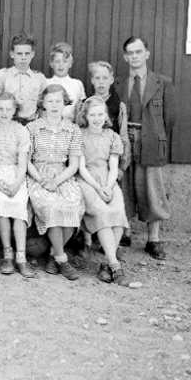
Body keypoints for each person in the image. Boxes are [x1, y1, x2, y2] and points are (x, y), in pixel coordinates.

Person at [115, 36, 176, 260]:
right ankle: (125, 233)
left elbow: (169, 117)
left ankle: (153, 240)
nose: (134, 56)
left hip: (149, 137)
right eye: (130, 53)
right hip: (125, 137)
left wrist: (155, 136)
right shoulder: (119, 83)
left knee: (151, 188)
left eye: (138, 52)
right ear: (125, 57)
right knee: (124, 185)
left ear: (147, 54)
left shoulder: (162, 82)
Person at [27, 84, 85, 280]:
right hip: (39, 176)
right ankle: (62, 259)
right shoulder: (32, 128)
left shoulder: (72, 129)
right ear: (43, 103)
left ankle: (54, 254)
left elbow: (74, 164)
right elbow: (26, 161)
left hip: (63, 175)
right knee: (52, 207)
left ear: (65, 103)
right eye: (50, 101)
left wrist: (57, 181)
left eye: (58, 101)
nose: (54, 105)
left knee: (73, 206)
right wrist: (42, 180)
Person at [76, 97, 129, 284]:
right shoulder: (79, 135)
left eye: (100, 114)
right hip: (88, 181)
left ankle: (107, 264)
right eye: (92, 115)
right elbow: (81, 168)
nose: (97, 118)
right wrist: (98, 188)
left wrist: (108, 185)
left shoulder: (112, 136)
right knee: (103, 213)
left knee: (118, 213)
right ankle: (115, 265)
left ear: (105, 116)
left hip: (108, 180)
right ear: (86, 116)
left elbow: (113, 166)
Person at [0, 92, 35, 278]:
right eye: (0, 109)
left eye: (8, 109)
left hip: (16, 174)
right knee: (1, 202)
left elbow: (23, 163)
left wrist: (16, 184)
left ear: (15, 110)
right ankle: (7, 254)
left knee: (20, 202)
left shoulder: (21, 131)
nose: (4, 113)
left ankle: (21, 257)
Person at [88, 60, 132, 246]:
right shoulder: (87, 104)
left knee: (113, 196)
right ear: (92, 80)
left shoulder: (118, 106)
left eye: (105, 78)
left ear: (111, 80)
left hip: (111, 160)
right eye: (97, 78)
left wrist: (122, 166)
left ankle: (116, 236)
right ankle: (90, 235)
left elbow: (124, 137)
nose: (101, 82)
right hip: (91, 161)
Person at [0, 32, 45, 126]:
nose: (23, 58)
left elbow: (43, 108)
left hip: (32, 125)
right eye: (19, 53)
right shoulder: (2, 76)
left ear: (32, 54)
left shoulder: (39, 78)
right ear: (12, 54)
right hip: (7, 124)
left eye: (27, 53)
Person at [44, 42, 86, 122]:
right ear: (51, 63)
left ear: (70, 64)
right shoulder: (45, 83)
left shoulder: (77, 84)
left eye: (65, 61)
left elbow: (80, 109)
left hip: (70, 125)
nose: (61, 65)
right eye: (57, 61)